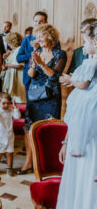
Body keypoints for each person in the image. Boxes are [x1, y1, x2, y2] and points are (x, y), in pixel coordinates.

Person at [57, 20, 97, 208]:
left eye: (86, 41)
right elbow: (78, 115)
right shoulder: (88, 64)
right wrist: (66, 142)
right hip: (77, 140)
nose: (83, 46)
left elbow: (82, 84)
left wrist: (72, 79)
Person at [19, 24, 66, 175]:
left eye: (41, 36)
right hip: (34, 95)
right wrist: (33, 63)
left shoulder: (61, 54)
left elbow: (54, 75)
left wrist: (40, 63)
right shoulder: (36, 52)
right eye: (37, 37)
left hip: (50, 96)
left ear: (50, 36)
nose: (38, 39)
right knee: (28, 128)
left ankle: (48, 162)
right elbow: (31, 75)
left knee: (49, 128)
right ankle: (29, 162)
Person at [16, 11, 49, 97]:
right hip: (29, 77)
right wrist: (31, 54)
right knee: (30, 105)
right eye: (35, 21)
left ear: (46, 23)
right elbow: (18, 58)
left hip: (43, 77)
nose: (37, 23)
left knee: (41, 104)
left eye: (41, 21)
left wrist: (39, 48)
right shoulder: (26, 39)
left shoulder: (50, 39)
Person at [0, 92, 21, 176]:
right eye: (3, 103)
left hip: (9, 135)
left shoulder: (10, 110)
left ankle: (9, 168)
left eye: (8, 103)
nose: (6, 105)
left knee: (9, 153)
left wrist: (15, 107)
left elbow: (17, 117)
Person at [1, 32, 26, 103]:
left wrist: (6, 65)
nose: (8, 44)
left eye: (9, 42)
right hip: (12, 76)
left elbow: (18, 64)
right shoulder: (14, 50)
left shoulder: (19, 49)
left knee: (18, 97)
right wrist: (6, 58)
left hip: (18, 77)